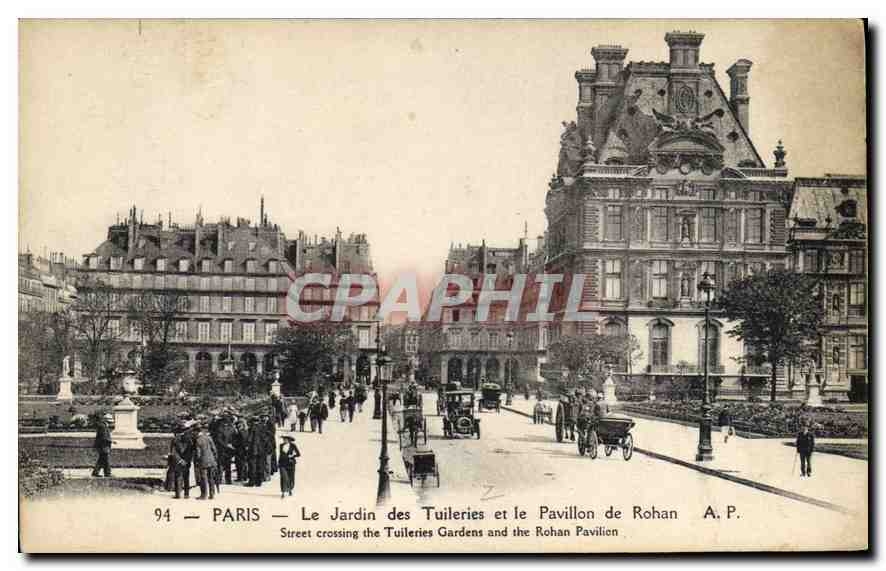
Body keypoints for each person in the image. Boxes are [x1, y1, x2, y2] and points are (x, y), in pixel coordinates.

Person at [193, 420, 218, 500]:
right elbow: (214, 449)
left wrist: (197, 461)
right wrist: (214, 458)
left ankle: (203, 495)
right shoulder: (208, 437)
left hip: (203, 461)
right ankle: (212, 494)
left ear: (196, 431)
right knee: (211, 478)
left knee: (203, 478)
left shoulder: (198, 440)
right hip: (211, 460)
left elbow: (198, 453)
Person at [171, 420, 195, 499]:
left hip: (178, 462)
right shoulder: (190, 439)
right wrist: (187, 460)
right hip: (187, 461)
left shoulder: (175, 439)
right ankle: (186, 494)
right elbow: (191, 451)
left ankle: (178, 494)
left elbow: (173, 452)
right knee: (186, 477)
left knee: (178, 476)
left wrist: (180, 460)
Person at [91, 413, 114, 478]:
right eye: (109, 422)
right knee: (106, 460)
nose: (110, 423)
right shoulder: (103, 427)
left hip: (102, 445)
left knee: (101, 460)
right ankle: (107, 473)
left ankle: (95, 472)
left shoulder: (103, 426)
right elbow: (104, 437)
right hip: (103, 445)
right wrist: (111, 441)